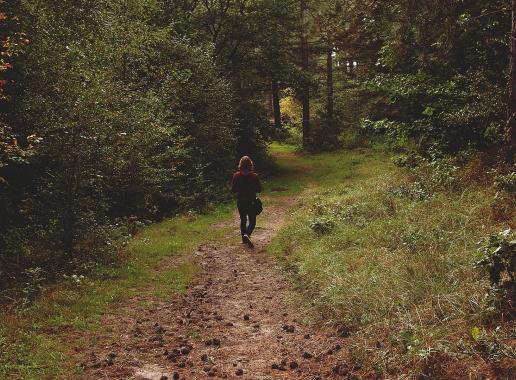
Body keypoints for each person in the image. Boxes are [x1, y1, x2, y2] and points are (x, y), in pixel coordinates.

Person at [231, 156, 262, 248]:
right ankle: (247, 234)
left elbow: (233, 190)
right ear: (250, 164)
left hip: (240, 201)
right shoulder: (254, 176)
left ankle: (244, 239)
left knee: (243, 220)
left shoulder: (236, 176)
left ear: (240, 164)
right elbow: (259, 189)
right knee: (252, 221)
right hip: (251, 201)